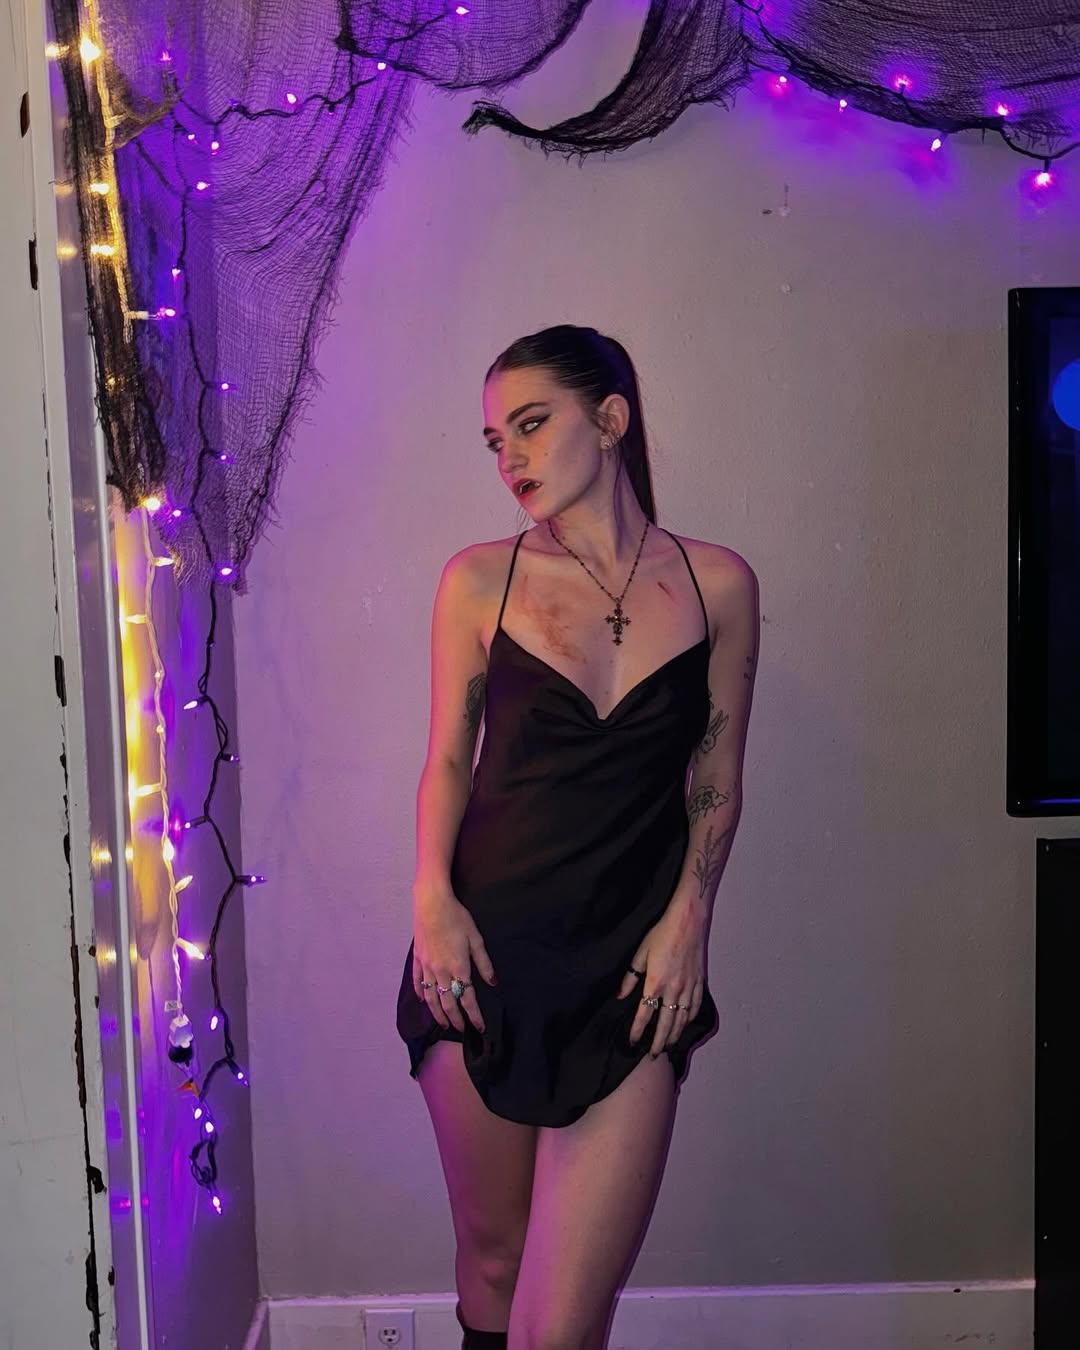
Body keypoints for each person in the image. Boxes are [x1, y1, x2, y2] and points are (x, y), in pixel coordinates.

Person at [395, 324, 759, 1350]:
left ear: (610, 419)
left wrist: (689, 921)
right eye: (493, 441)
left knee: (559, 1325)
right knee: (495, 1263)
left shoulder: (719, 585)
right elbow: (448, 762)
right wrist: (431, 901)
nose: (508, 458)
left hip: (632, 973)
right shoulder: (478, 580)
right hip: (482, 956)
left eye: (529, 424)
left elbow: (717, 777)